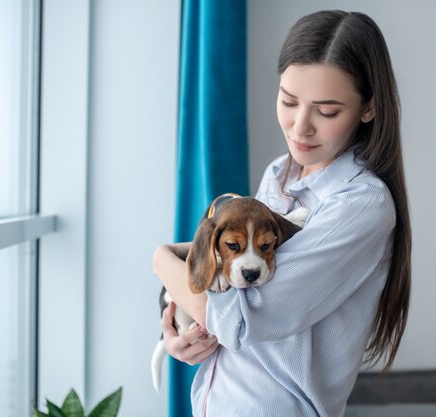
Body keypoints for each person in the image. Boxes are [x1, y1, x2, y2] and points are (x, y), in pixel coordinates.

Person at [153, 9, 411, 417]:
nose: (300, 127)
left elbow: (239, 321)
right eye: (289, 101)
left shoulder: (361, 205)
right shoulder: (280, 172)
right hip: (216, 399)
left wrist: (163, 261)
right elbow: (231, 288)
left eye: (327, 112)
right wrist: (183, 339)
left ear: (368, 108)